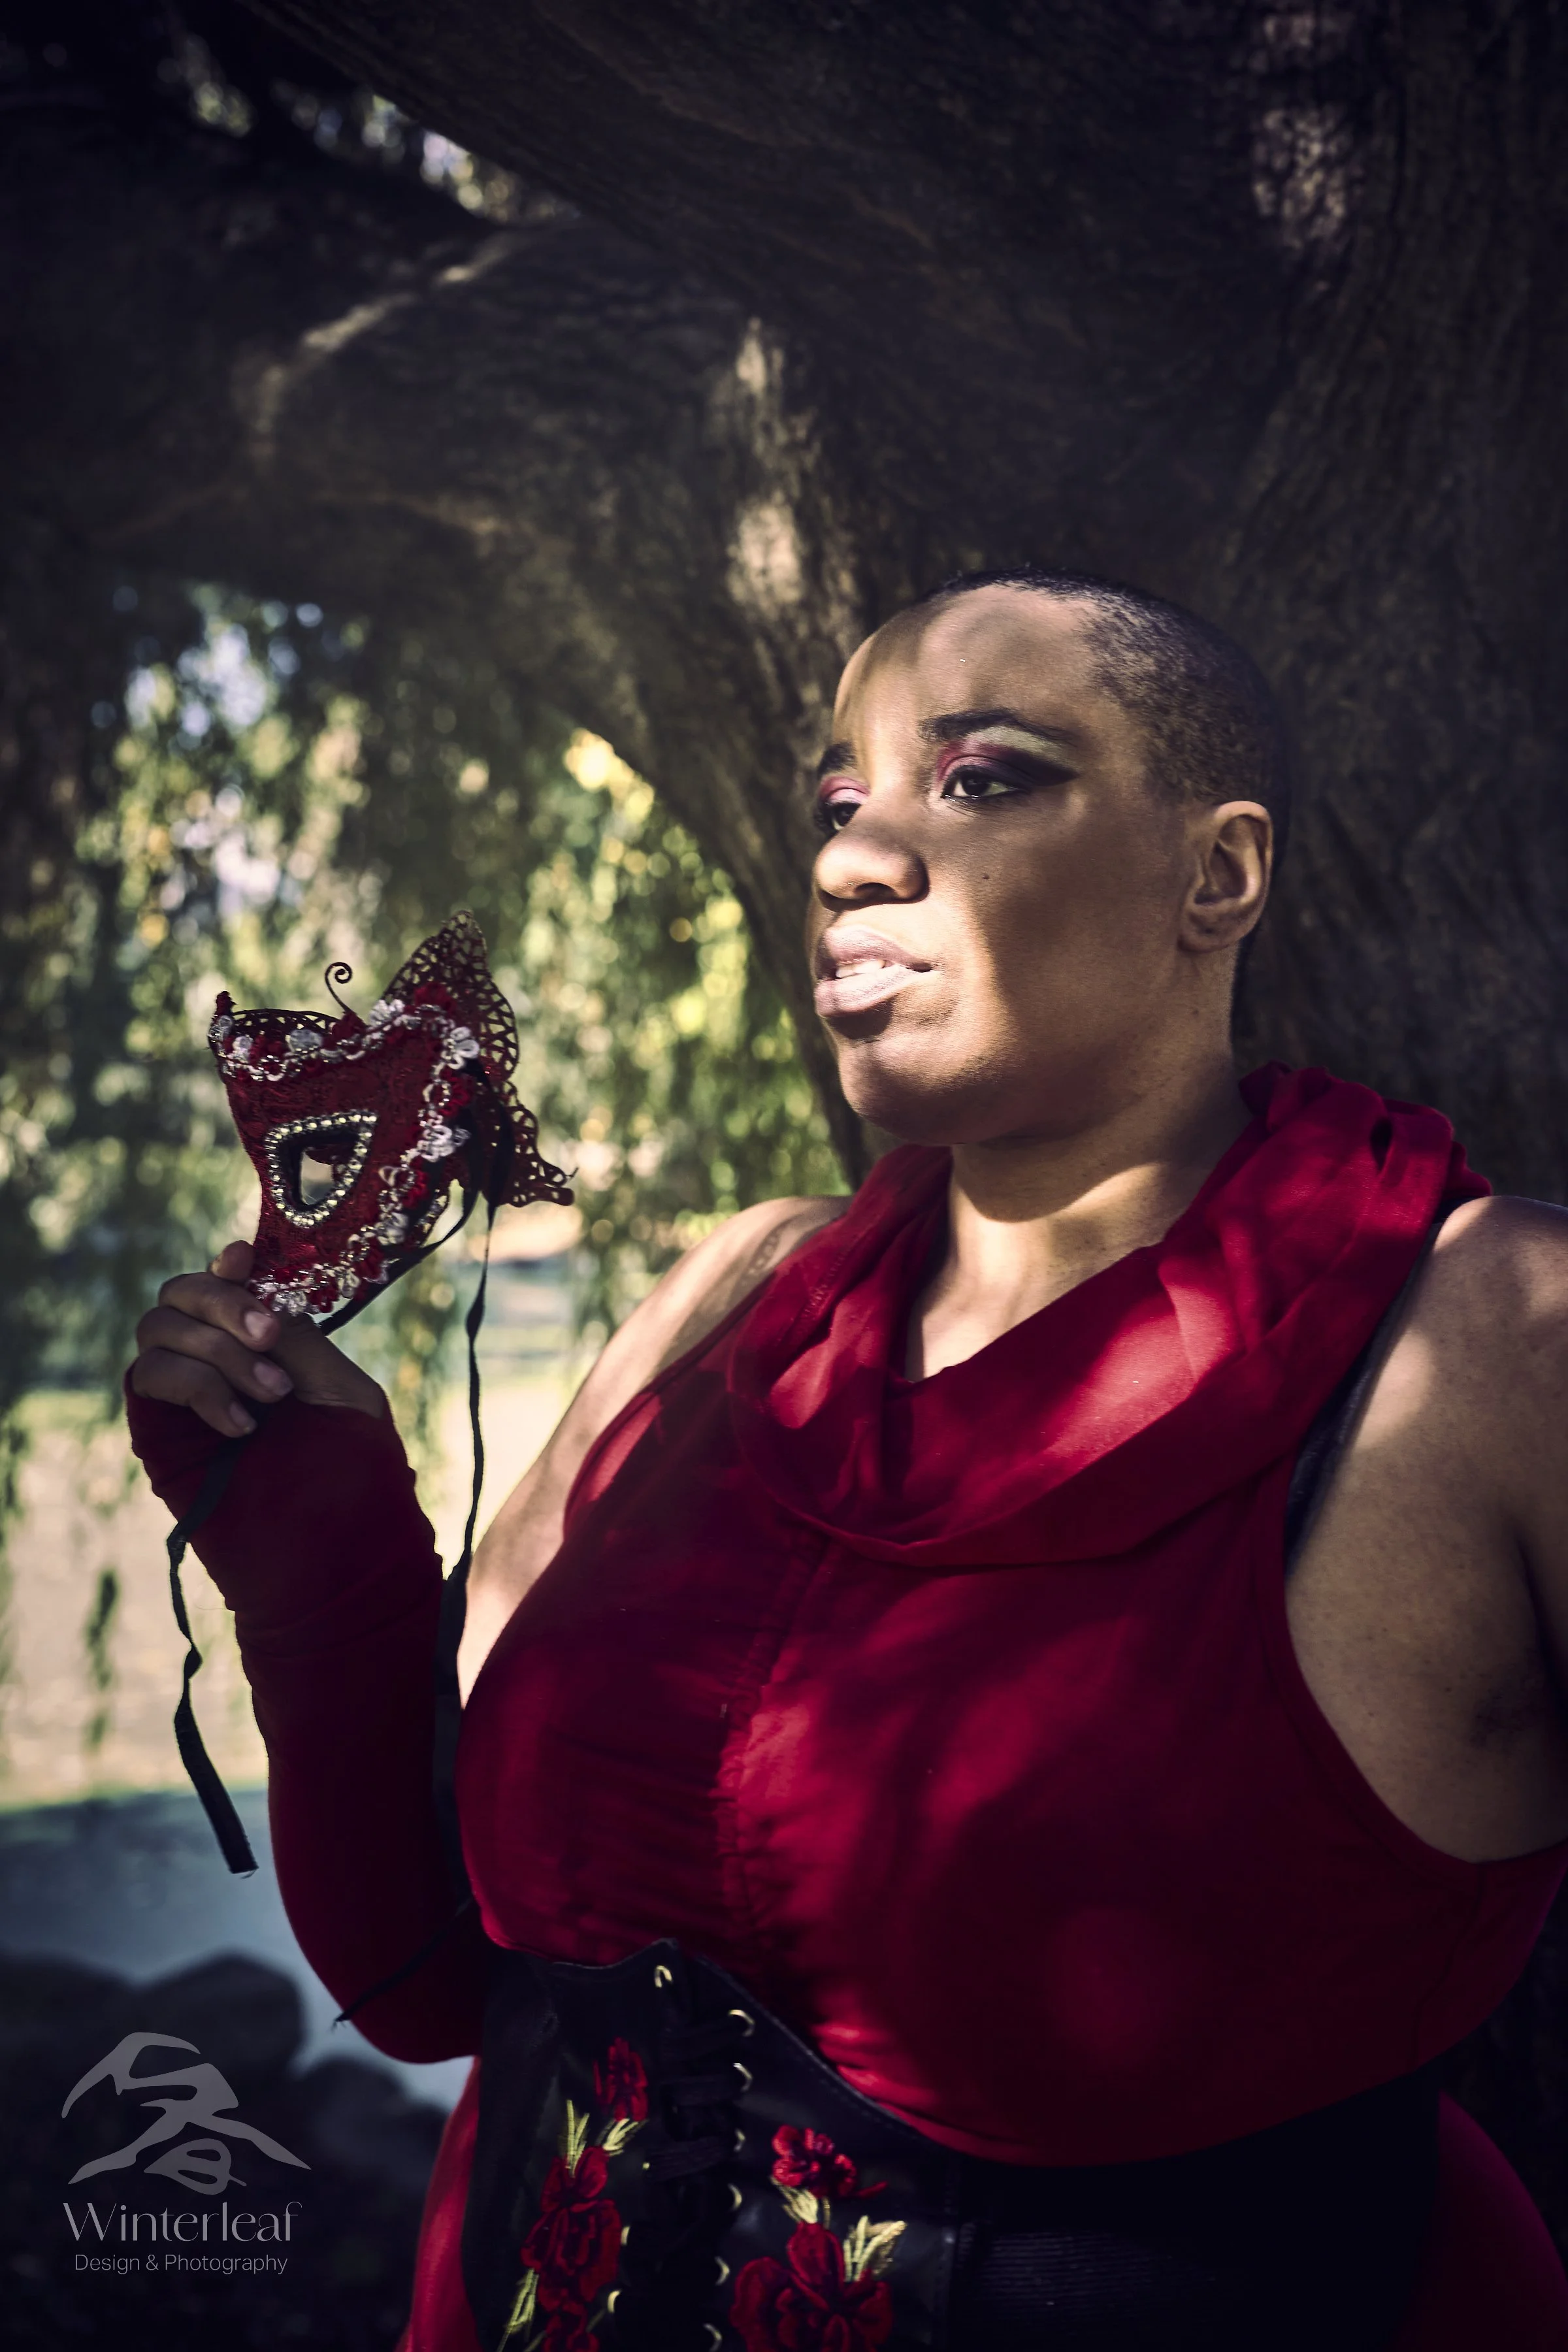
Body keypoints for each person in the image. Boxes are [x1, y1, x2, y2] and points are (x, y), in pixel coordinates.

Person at [127, 572, 1568, 2350]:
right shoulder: (727, 1295)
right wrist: (318, 1548)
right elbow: (433, 1988)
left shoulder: (1494, 1340)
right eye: (835, 799)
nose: (849, 856)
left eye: (981, 779)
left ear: (1223, 874)